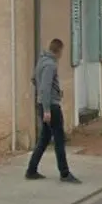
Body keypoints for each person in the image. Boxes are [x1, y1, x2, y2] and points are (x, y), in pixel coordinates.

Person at [25, 38, 81, 183]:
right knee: (59, 139)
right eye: (62, 51)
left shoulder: (41, 61)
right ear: (59, 50)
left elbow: (34, 79)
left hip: (42, 103)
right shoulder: (50, 65)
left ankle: (31, 170)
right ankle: (64, 173)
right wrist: (47, 109)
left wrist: (45, 96)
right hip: (51, 106)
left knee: (44, 139)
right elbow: (45, 87)